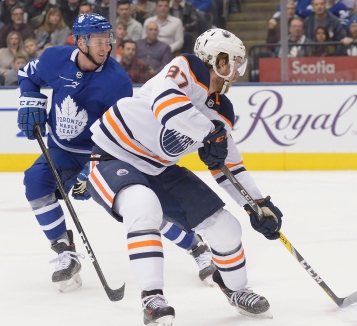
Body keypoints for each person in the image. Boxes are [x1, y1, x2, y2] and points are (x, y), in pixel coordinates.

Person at [85, 28, 283, 326]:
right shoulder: (187, 67)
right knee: (143, 205)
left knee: (226, 227)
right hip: (113, 155)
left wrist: (257, 205)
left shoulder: (222, 110)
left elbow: (229, 165)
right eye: (229, 62)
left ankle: (236, 289)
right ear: (212, 59)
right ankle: (152, 300)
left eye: (239, 64)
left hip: (160, 168)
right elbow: (165, 105)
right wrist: (207, 132)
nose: (234, 71)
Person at [16, 13, 215, 294]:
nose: (106, 48)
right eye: (98, 41)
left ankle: (196, 246)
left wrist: (93, 168)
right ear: (80, 41)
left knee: (138, 208)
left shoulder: (116, 81)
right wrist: (30, 102)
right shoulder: (54, 59)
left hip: (103, 152)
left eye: (108, 41)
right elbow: (27, 74)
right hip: (60, 150)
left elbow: (120, 131)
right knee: (35, 183)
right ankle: (65, 252)